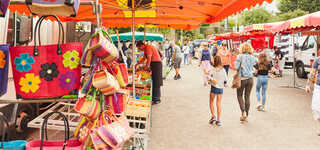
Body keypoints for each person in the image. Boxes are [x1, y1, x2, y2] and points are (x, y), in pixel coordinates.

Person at [235, 42, 258, 122]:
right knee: (247, 96)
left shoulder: (240, 56)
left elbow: (236, 67)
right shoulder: (253, 57)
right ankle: (246, 115)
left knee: (239, 95)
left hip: (242, 79)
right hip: (250, 79)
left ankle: (243, 112)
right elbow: (256, 64)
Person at [208, 56, 228, 126]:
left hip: (213, 87)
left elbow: (209, 77)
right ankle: (219, 120)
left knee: (211, 102)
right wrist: (224, 84)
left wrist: (211, 80)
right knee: (218, 103)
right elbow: (226, 79)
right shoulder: (223, 70)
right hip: (220, 88)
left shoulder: (212, 69)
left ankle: (213, 116)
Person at [306, 56, 320, 136]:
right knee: (315, 108)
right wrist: (308, 84)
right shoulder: (318, 60)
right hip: (318, 87)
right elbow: (312, 73)